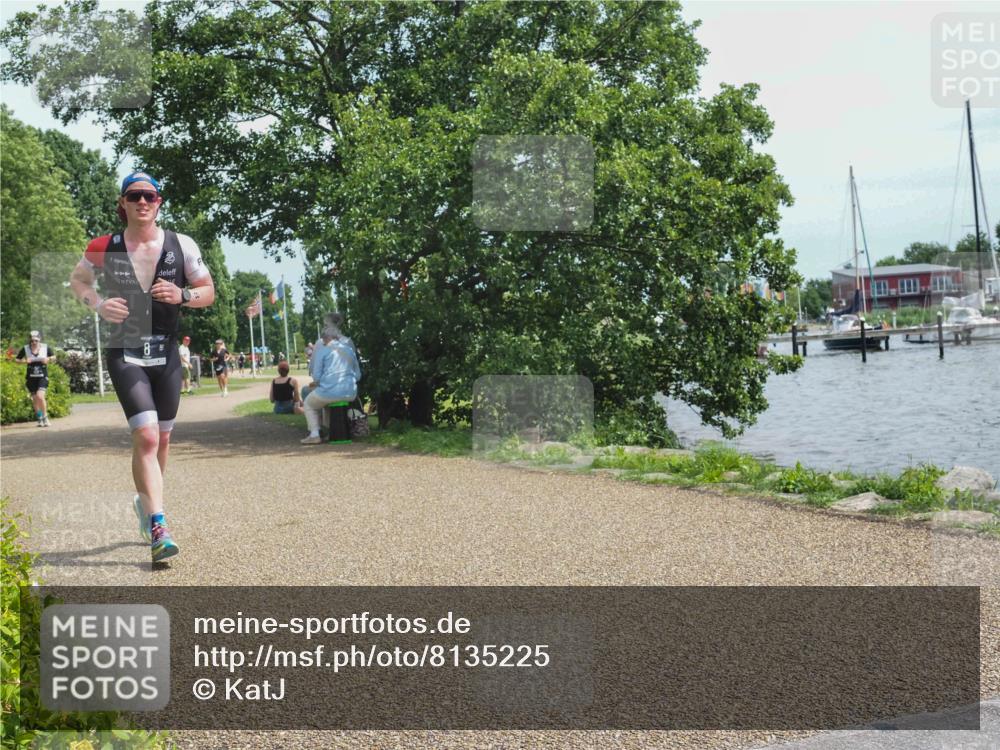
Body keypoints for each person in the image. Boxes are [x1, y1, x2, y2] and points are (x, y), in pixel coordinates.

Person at [69, 170, 216, 563]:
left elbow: (208, 292)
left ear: (159, 202)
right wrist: (98, 305)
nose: (142, 202)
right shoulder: (104, 246)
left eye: (150, 196)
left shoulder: (181, 244)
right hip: (125, 350)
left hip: (165, 352)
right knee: (147, 438)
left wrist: (184, 294)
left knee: (163, 440)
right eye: (134, 195)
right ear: (123, 203)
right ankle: (159, 526)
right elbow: (79, 281)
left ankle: (147, 505)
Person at [300, 319, 361, 445]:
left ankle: (315, 434)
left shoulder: (323, 350)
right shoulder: (349, 350)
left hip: (330, 391)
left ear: (324, 339)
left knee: (309, 404)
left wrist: (323, 381)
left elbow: (316, 377)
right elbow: (358, 375)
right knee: (328, 402)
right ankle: (332, 432)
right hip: (350, 391)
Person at [15, 330, 56, 426]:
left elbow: (54, 356)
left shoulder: (45, 348)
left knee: (40, 397)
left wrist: (48, 359)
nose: (34, 343)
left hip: (42, 377)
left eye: (36, 341)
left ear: (39, 340)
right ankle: (40, 417)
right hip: (31, 378)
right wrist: (25, 361)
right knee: (35, 399)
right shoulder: (25, 349)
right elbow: (17, 360)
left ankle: (45, 417)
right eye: (32, 341)